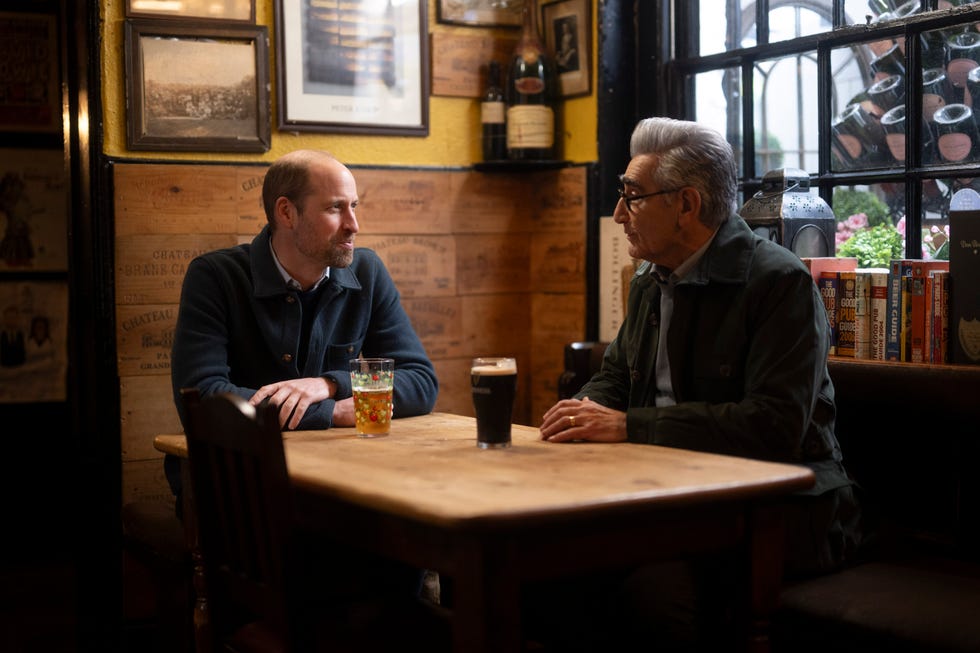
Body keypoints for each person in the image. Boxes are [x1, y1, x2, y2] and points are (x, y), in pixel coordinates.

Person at [531, 117, 862, 651]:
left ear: (686, 204)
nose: (617, 215)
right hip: (668, 496)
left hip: (781, 512)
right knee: (538, 566)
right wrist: (579, 411)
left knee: (646, 594)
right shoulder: (650, 277)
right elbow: (616, 376)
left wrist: (627, 426)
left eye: (632, 198)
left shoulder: (779, 282)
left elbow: (773, 427)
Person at [169, 149, 440, 608]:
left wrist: (331, 382)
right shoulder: (215, 276)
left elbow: (420, 382)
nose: (354, 224)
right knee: (328, 564)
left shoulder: (367, 272)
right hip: (239, 486)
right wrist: (329, 412)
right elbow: (205, 397)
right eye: (336, 208)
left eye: (355, 206)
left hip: (344, 482)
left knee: (405, 551)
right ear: (286, 212)